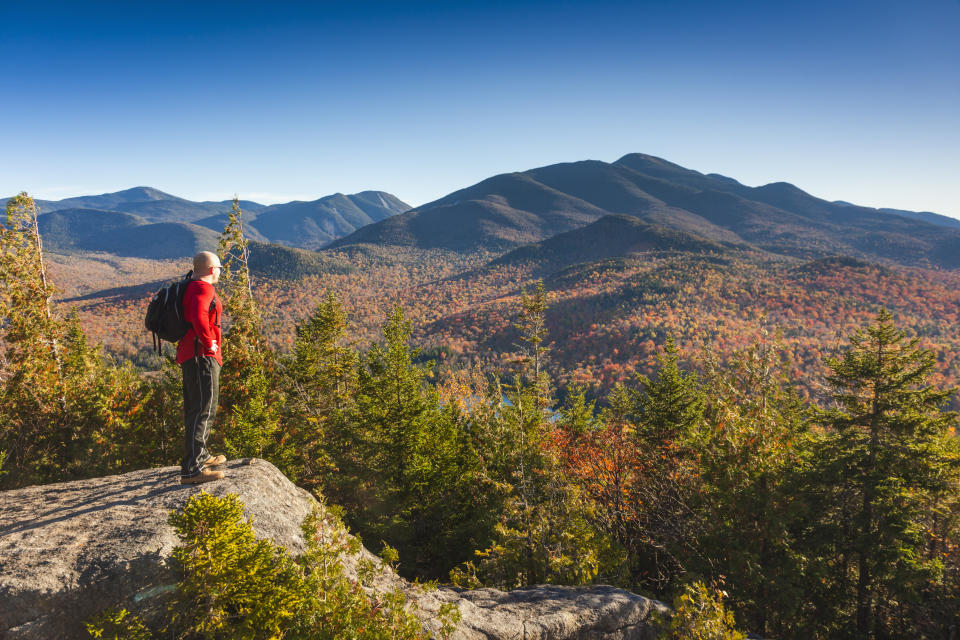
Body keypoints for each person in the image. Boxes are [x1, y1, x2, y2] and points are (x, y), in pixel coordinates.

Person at [177, 251, 226, 484]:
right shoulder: (203, 288)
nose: (220, 272)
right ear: (211, 270)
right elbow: (198, 315)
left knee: (196, 408)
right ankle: (192, 469)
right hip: (201, 357)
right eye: (219, 268)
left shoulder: (190, 286)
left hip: (191, 355)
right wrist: (209, 343)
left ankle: (200, 455)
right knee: (204, 408)